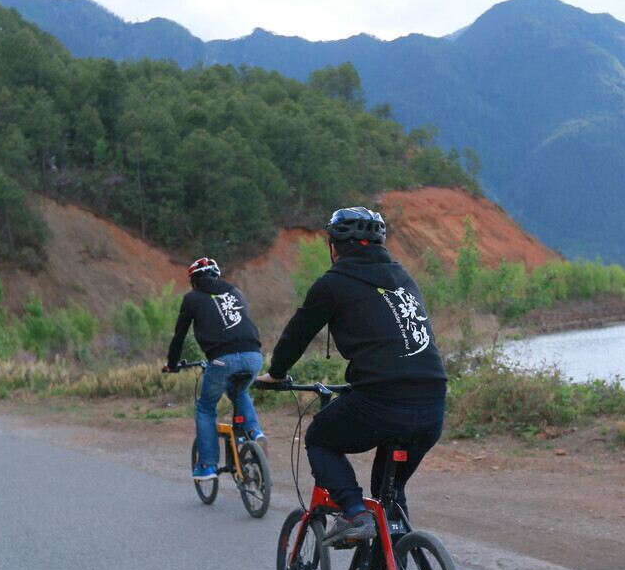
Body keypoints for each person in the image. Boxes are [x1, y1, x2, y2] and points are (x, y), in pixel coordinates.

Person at [255, 207, 447, 545]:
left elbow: (297, 335)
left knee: (319, 438)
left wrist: (276, 373)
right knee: (390, 491)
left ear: (334, 246)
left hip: (381, 402)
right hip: (432, 403)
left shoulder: (333, 282)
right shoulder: (403, 276)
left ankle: (355, 513)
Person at [164, 257, 266, 481]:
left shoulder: (192, 298)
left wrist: (171, 364)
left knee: (206, 407)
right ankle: (254, 431)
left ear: (194, 282)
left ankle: (208, 465)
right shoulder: (237, 292)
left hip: (221, 360)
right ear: (216, 275)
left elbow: (179, 336)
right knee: (239, 390)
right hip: (254, 357)